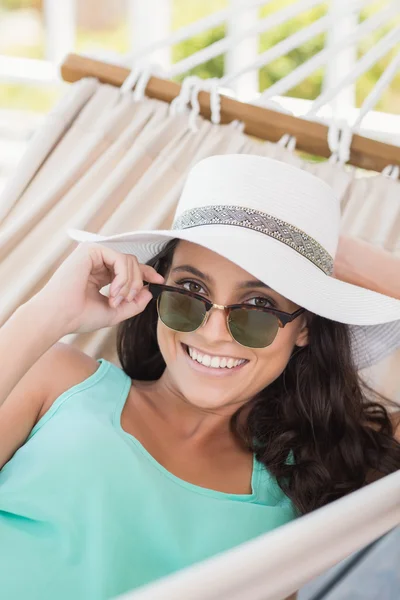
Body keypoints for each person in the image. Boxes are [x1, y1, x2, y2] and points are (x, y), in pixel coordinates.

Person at [0, 154, 399, 600]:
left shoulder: (312, 494)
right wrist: (46, 313)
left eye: (259, 308)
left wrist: (320, 246)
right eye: (191, 292)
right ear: (158, 290)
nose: (212, 332)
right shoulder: (57, 379)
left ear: (305, 326)